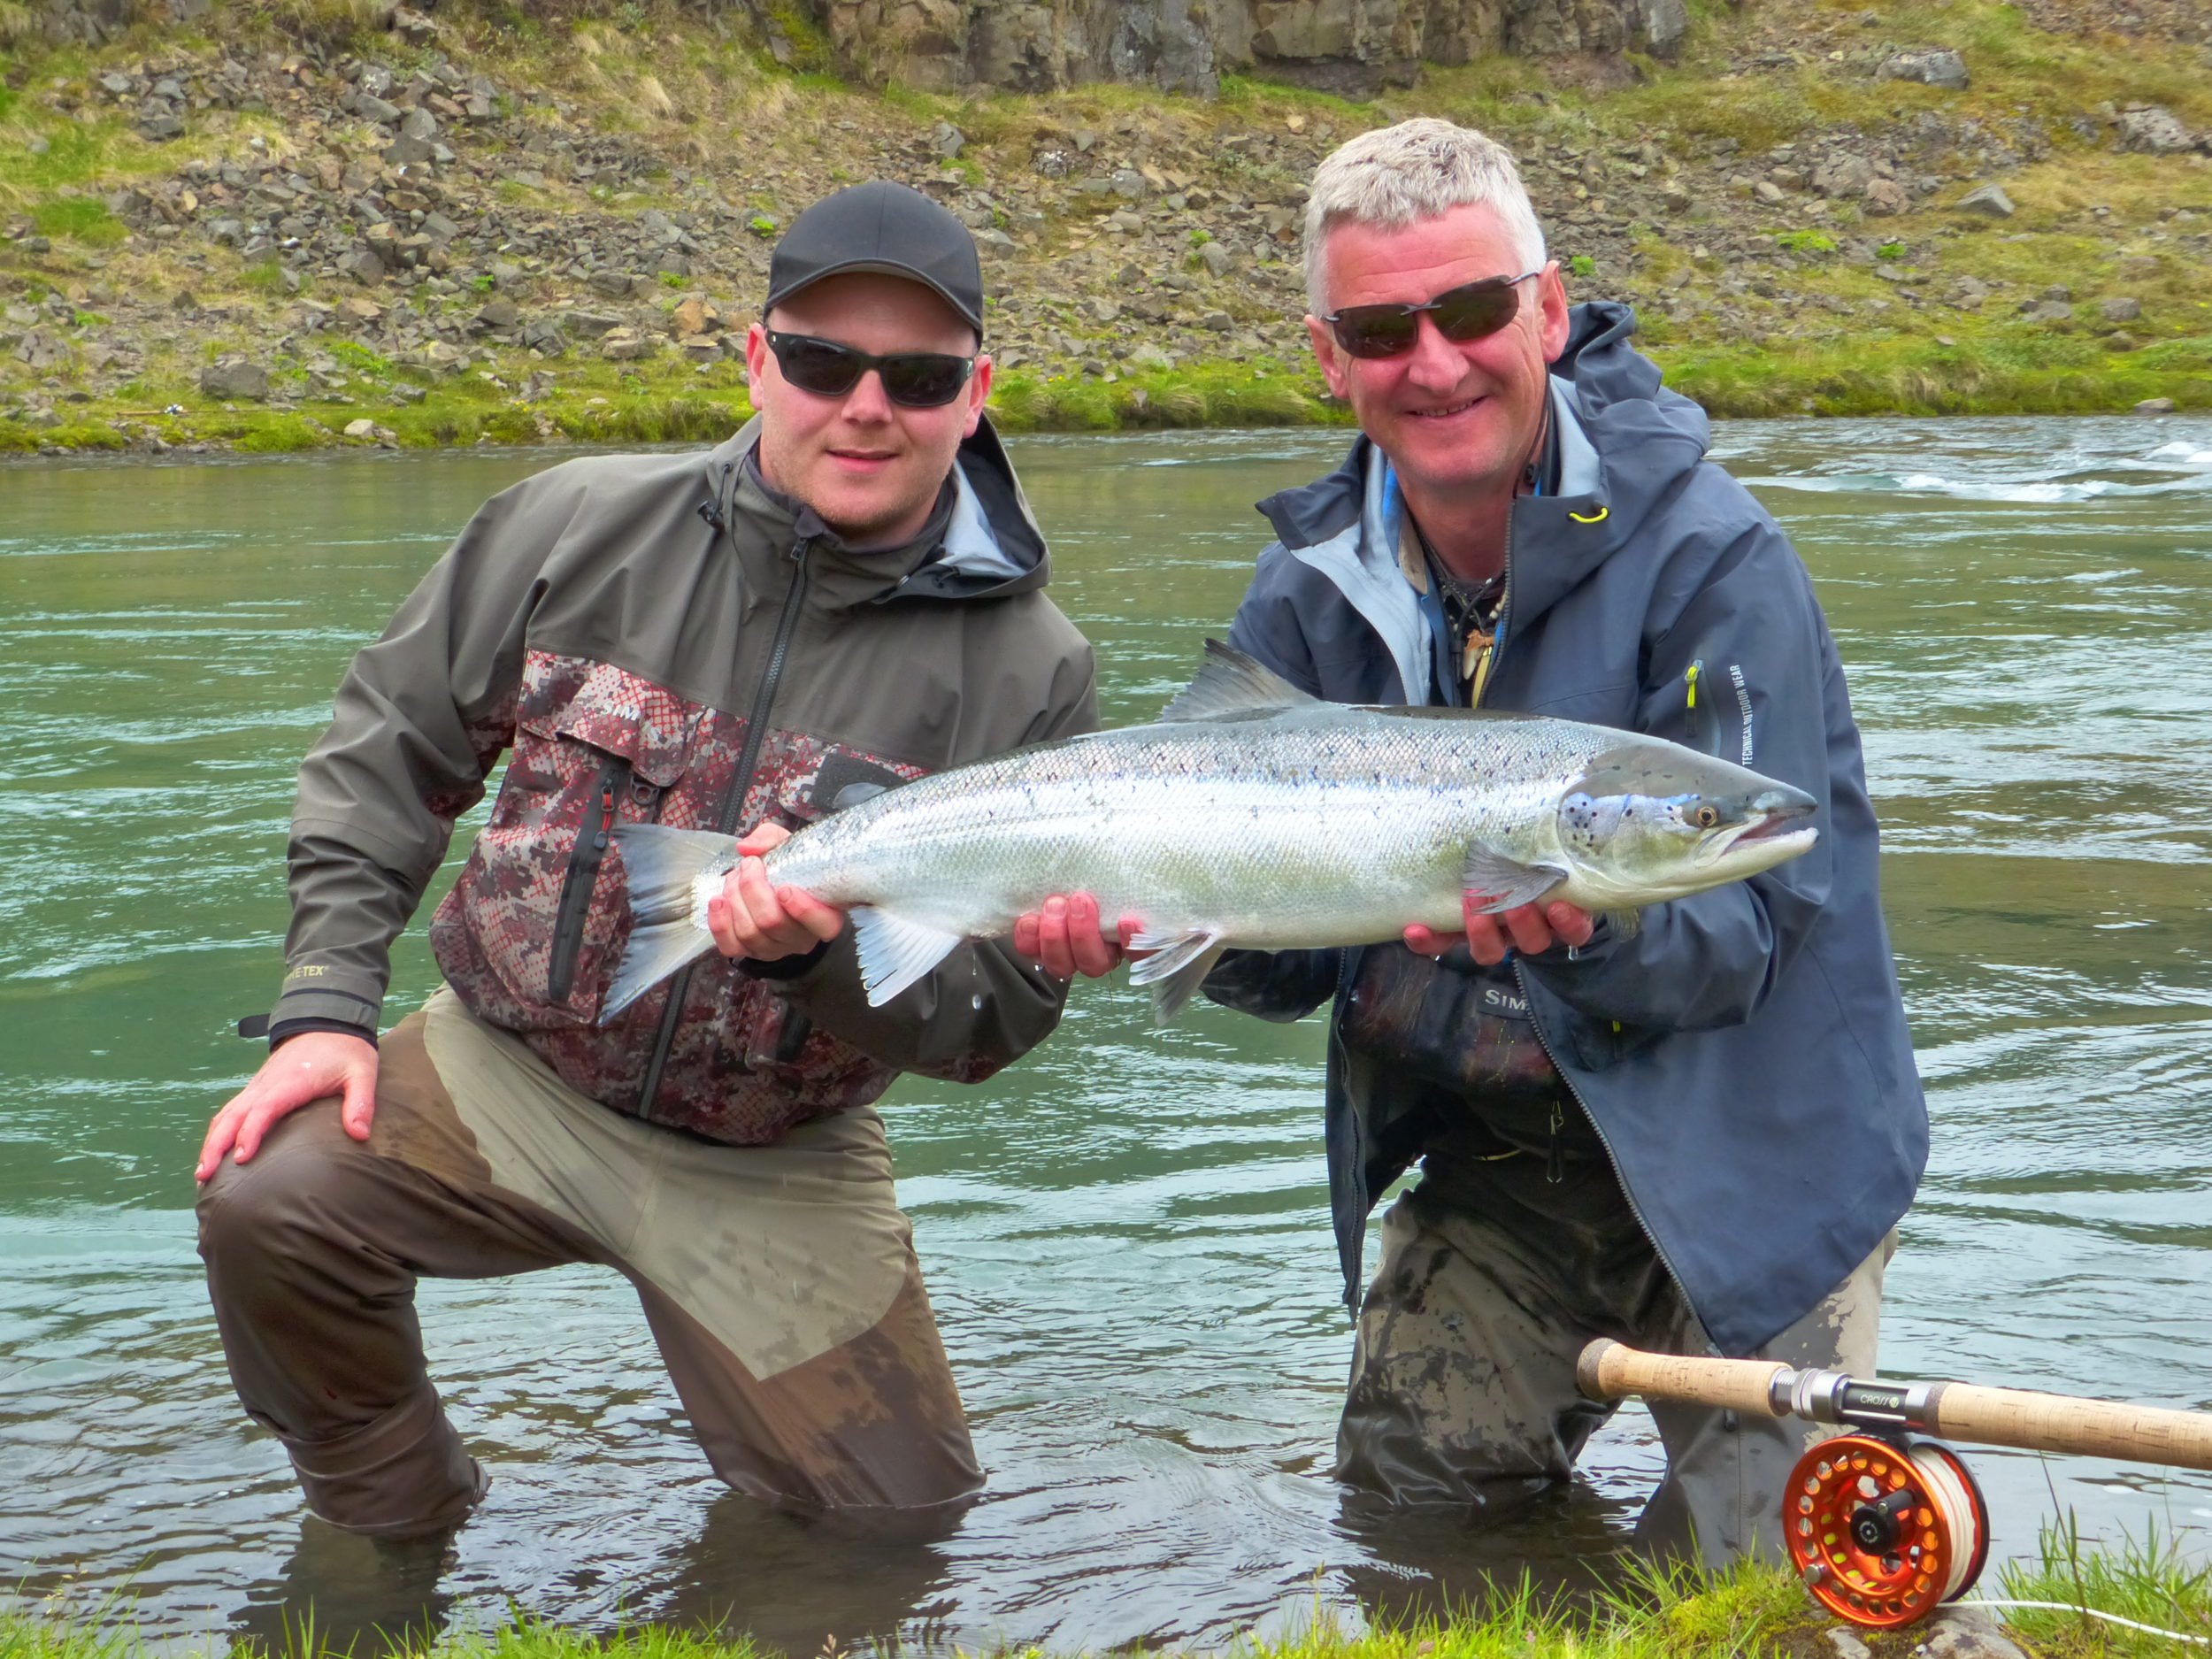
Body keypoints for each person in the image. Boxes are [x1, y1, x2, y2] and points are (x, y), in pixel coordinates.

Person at [194, 180, 1099, 1537]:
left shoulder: (1036, 671)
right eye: (820, 362)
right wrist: (324, 1008)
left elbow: (992, 1028)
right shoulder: (571, 525)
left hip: (777, 1154)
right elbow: (387, 751)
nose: (866, 405)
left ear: (975, 395)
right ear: (755, 360)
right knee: (268, 1193)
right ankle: (392, 1520)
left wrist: (824, 956)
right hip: (503, 1080)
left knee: (890, 1537)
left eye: (916, 377)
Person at [1198, 119, 1926, 1562]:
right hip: (1501, 1171)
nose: (1434, 360)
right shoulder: (1304, 597)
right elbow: (1284, 974)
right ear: (1326, 356)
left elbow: (1752, 935)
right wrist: (1171, 929)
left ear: (1545, 307)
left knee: (1797, 1588)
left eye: (1470, 310)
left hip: (1755, 1161)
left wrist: (1586, 927)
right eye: (1378, 328)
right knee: (1417, 1546)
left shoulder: (1718, 563)